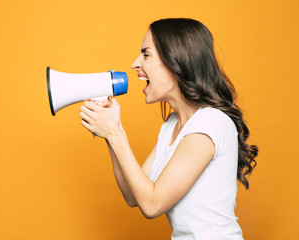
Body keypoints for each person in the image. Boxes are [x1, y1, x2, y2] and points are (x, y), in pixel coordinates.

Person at [79, 18, 258, 239]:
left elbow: (152, 205)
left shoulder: (211, 122)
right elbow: (133, 195)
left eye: (146, 54)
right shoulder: (172, 124)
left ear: (178, 60)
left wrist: (115, 133)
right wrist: (109, 132)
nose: (135, 64)